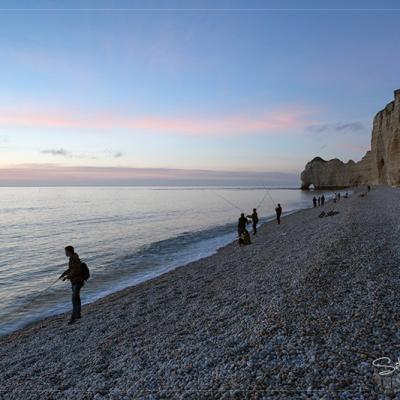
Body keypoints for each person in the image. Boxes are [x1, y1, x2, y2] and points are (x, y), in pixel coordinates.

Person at [60, 246, 85, 325]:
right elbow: (71, 269)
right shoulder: (72, 258)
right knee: (77, 298)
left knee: (74, 299)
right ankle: (78, 314)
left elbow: (76, 271)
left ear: (69, 252)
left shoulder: (74, 259)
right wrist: (63, 274)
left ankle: (73, 318)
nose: (65, 253)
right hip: (75, 281)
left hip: (78, 281)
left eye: (66, 252)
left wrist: (68, 277)